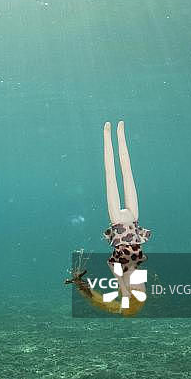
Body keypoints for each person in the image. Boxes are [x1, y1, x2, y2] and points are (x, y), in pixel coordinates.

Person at [66, 120, 152, 315]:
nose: (141, 287)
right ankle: (121, 135)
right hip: (133, 220)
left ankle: (107, 136)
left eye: (136, 290)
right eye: (142, 290)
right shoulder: (138, 261)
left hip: (119, 224)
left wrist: (121, 285)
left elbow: (110, 264)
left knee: (111, 177)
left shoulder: (120, 266)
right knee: (128, 173)